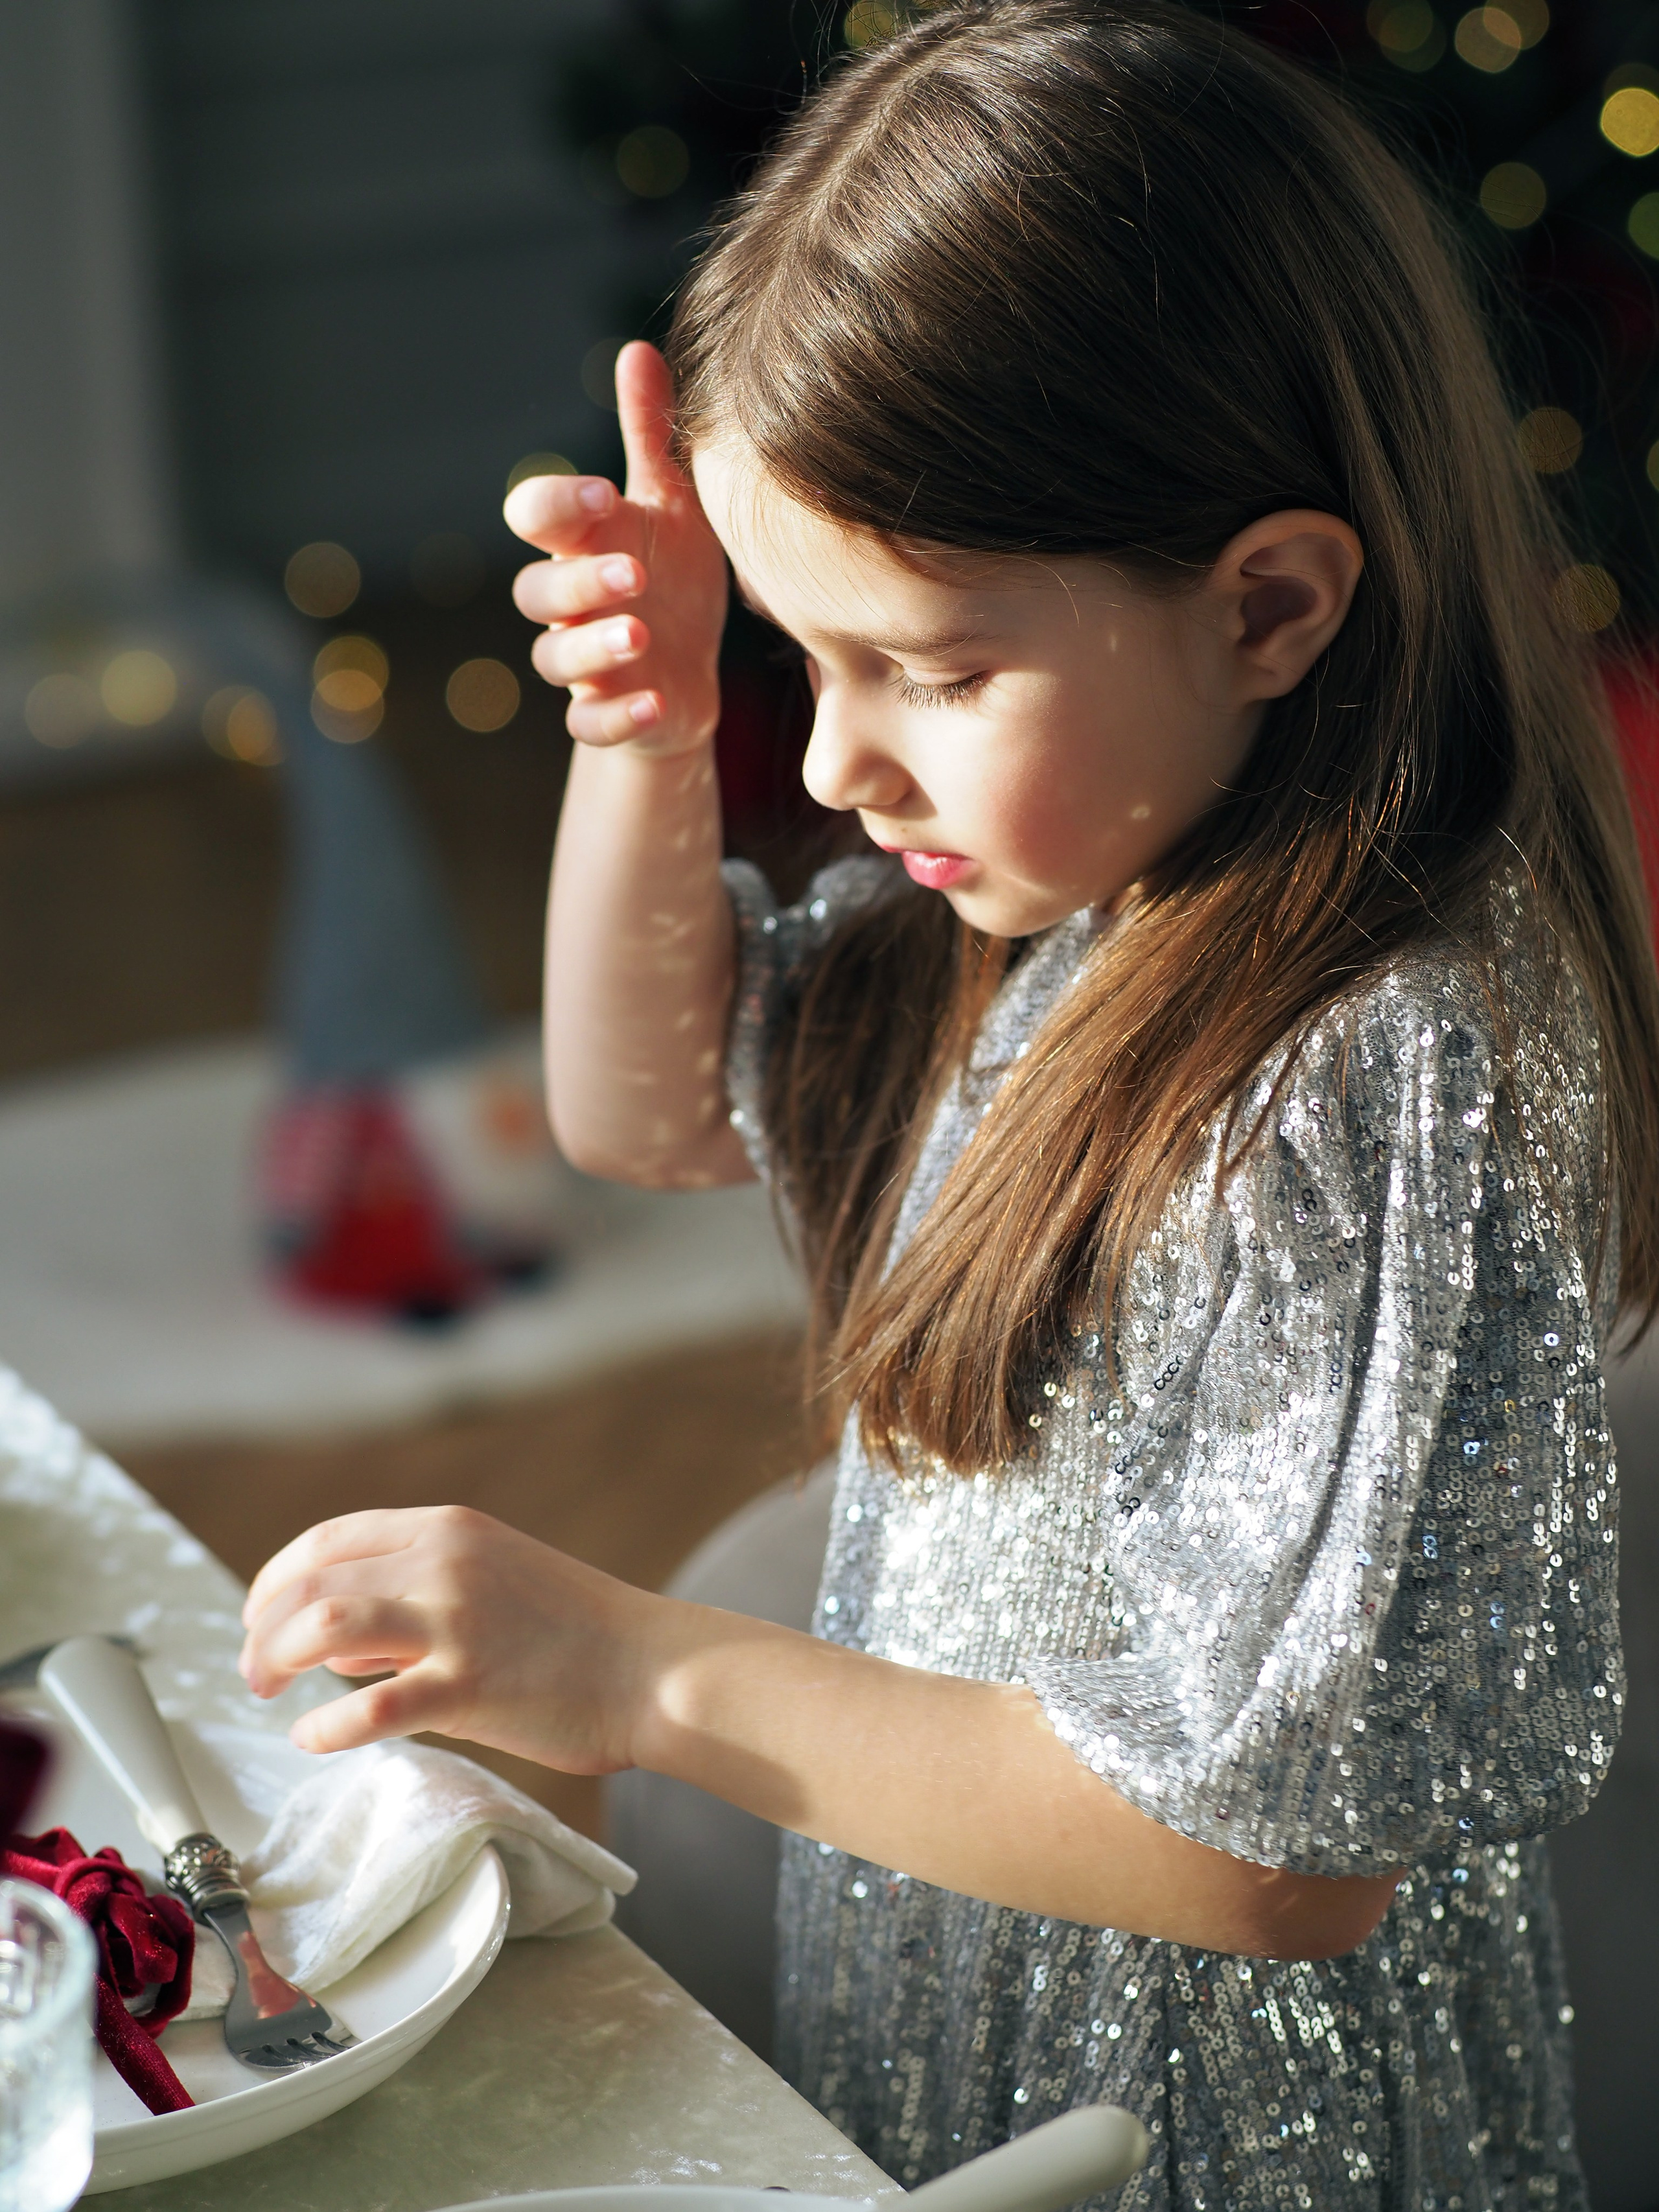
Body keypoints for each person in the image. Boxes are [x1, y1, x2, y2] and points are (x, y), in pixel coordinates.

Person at [235, 5, 1659, 2204]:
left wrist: (629, 1664)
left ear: (1270, 603)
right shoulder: (1104, 872)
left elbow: (1280, 1871)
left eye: (934, 666)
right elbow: (646, 1116)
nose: (829, 766)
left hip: (1224, 2139)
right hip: (980, 2018)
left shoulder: (1381, 1068)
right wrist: (644, 732)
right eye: (810, 660)